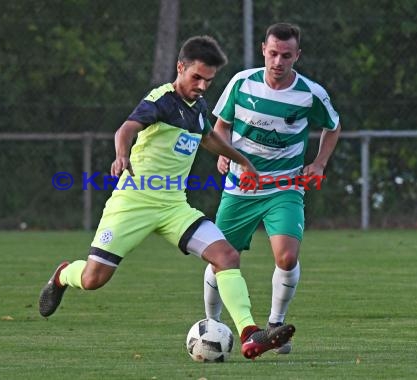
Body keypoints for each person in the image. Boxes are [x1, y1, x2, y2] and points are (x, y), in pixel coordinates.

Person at [38, 35, 295, 360]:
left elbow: (209, 138)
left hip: (174, 207)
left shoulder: (198, 107)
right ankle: (63, 274)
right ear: (180, 68)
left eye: (209, 80)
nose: (202, 86)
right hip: (133, 204)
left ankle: (249, 333)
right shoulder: (161, 99)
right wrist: (121, 155)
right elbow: (126, 129)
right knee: (93, 279)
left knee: (227, 256)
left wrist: (242, 160)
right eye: (196, 77)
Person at [203, 23, 341, 354]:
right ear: (263, 49)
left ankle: (275, 324)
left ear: (297, 56)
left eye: (287, 55)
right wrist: (223, 155)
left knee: (287, 255)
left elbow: (333, 128)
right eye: (274, 53)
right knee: (221, 259)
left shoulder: (311, 93)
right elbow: (221, 125)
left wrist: (319, 163)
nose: (279, 61)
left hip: (285, 187)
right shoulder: (241, 82)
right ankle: (212, 325)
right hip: (240, 188)